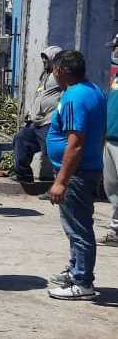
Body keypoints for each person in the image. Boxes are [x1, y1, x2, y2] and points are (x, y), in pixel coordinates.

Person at [45, 50, 106, 300]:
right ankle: (75, 269)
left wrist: (61, 181)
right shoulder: (94, 90)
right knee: (75, 227)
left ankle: (82, 282)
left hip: (76, 174)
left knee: (79, 228)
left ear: (59, 71)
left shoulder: (74, 97)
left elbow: (76, 143)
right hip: (85, 170)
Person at [13, 46, 64, 184]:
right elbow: (39, 96)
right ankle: (24, 176)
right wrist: (30, 113)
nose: (43, 62)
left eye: (46, 59)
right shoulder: (45, 75)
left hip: (49, 121)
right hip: (36, 121)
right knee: (21, 139)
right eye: (43, 59)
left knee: (52, 151)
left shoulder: (60, 74)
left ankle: (60, 184)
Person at [101, 34, 118, 247]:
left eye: (115, 47)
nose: (113, 51)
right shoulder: (114, 74)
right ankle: (115, 230)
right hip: (111, 139)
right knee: (112, 188)